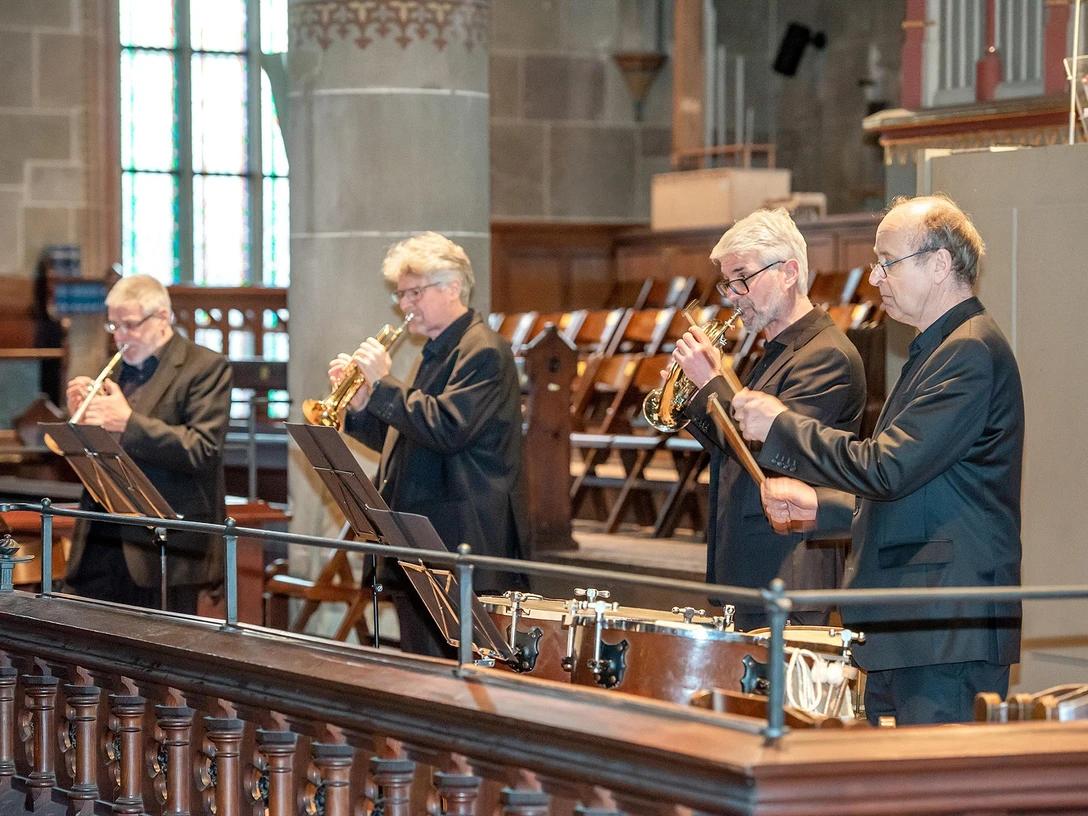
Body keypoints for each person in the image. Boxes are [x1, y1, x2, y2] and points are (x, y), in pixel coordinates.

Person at [733, 194, 1024, 725]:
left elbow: (886, 468)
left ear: (939, 265)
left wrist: (781, 425)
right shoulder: (936, 349)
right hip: (913, 623)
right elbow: (918, 489)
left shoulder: (969, 352)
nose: (875, 278)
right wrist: (821, 507)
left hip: (943, 627)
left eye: (887, 262)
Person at [328, 232, 528, 656]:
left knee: (451, 673)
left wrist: (382, 384)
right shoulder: (436, 350)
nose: (404, 305)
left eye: (413, 292)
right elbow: (406, 440)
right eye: (402, 294)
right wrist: (363, 405)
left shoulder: (483, 351)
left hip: (460, 537)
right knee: (420, 669)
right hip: (423, 537)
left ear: (452, 287)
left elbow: (448, 429)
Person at [669, 208, 866, 630]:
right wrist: (692, 396)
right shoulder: (773, 352)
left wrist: (714, 381)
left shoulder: (826, 355)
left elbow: (774, 456)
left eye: (743, 277)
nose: (733, 294)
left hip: (787, 569)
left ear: (789, 272)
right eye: (727, 282)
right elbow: (732, 449)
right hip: (749, 567)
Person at [64, 274, 233, 614]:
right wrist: (79, 425)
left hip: (164, 549)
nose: (120, 337)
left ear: (162, 318)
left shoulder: (206, 368)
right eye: (113, 326)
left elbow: (202, 449)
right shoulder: (113, 371)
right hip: (101, 539)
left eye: (129, 325)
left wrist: (128, 423)